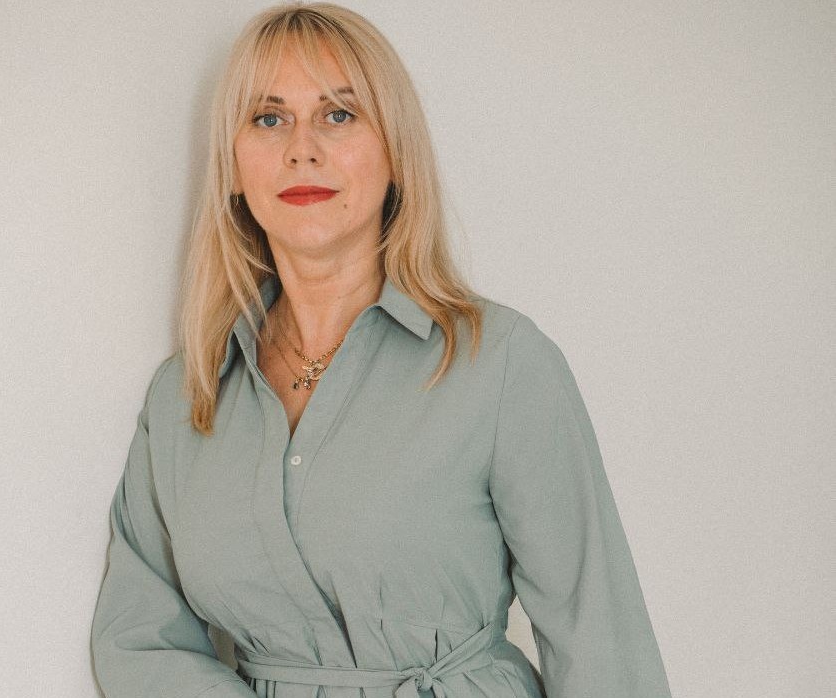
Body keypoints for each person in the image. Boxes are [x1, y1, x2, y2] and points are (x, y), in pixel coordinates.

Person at [90, 3, 673, 697]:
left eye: (338, 115)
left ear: (395, 153)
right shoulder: (186, 396)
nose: (302, 148)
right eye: (268, 118)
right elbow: (139, 640)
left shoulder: (500, 364)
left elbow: (597, 633)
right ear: (233, 166)